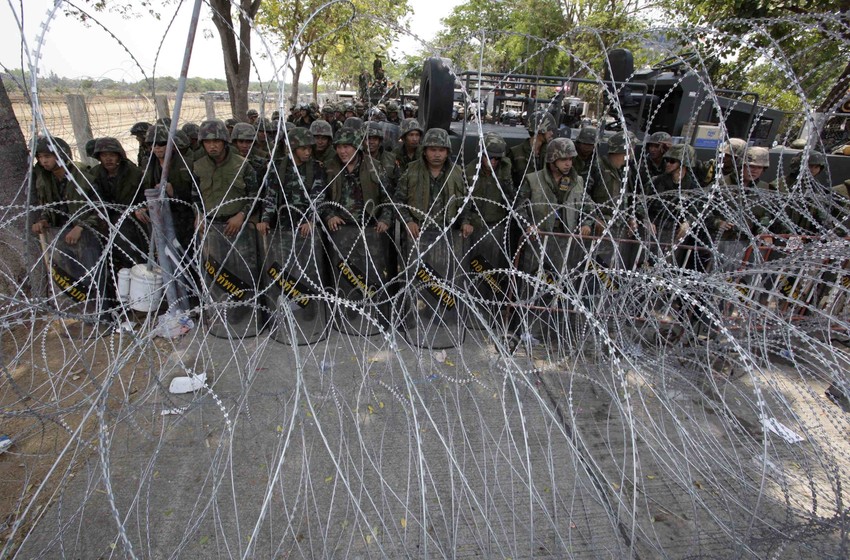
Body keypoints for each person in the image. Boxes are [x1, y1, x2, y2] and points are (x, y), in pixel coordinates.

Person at [395, 128, 473, 240]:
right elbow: (398, 201)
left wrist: (465, 222)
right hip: (417, 234)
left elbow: (465, 203)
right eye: (433, 150)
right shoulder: (411, 172)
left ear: (447, 153)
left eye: (441, 150)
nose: (437, 155)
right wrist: (408, 221)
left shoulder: (457, 173)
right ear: (425, 152)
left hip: (447, 234)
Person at [88, 137, 147, 269]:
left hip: (131, 222)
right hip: (105, 222)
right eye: (104, 155)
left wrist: (141, 207)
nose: (108, 159)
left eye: (112, 155)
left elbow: (145, 196)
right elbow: (93, 200)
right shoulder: (94, 174)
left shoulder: (134, 173)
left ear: (119, 156)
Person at [193, 119, 259, 236]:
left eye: (216, 141)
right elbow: (195, 196)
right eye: (207, 142)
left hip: (238, 225)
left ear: (224, 142)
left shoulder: (242, 164)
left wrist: (241, 215)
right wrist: (198, 214)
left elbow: (255, 196)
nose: (212, 146)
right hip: (210, 224)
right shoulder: (199, 167)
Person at [138, 125, 197, 253]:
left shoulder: (187, 164)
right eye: (153, 144)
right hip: (159, 219)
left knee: (187, 255)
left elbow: (197, 195)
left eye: (162, 143)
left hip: (184, 219)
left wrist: (174, 192)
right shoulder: (147, 166)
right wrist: (140, 208)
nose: (157, 148)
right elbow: (141, 190)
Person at [258, 127, 325, 238]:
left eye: (309, 148)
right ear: (293, 148)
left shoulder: (315, 168)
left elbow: (318, 196)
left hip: (306, 226)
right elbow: (271, 195)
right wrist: (265, 220)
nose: (307, 152)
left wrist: (312, 220)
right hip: (283, 224)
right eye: (303, 149)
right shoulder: (278, 167)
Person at [322, 127, 392, 234]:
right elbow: (321, 198)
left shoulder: (374, 167)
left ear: (356, 147)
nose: (342, 151)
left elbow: (388, 199)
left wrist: (384, 220)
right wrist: (330, 216)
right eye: (339, 147)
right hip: (339, 229)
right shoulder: (329, 168)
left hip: (370, 227)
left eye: (346, 147)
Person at [517, 138, 593, 237]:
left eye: (570, 159)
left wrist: (586, 225)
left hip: (567, 237)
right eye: (563, 159)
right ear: (552, 160)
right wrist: (529, 225)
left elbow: (588, 207)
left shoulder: (577, 181)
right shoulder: (533, 180)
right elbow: (519, 207)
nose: (568, 164)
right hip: (539, 237)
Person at [31, 137, 98, 245]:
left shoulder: (83, 178)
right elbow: (50, 206)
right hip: (61, 236)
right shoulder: (47, 181)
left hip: (88, 237)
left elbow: (101, 208)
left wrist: (81, 226)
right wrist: (43, 220)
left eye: (47, 156)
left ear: (60, 155)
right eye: (40, 157)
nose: (43, 161)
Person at [466, 132, 514, 231]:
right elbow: (463, 201)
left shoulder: (505, 171)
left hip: (497, 225)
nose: (493, 161)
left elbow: (512, 197)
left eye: (497, 158)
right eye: (489, 157)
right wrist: (466, 221)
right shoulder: (469, 172)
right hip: (474, 225)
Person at [508, 111, 555, 188]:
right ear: (540, 130)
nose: (552, 133)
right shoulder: (515, 153)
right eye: (549, 129)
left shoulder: (550, 152)